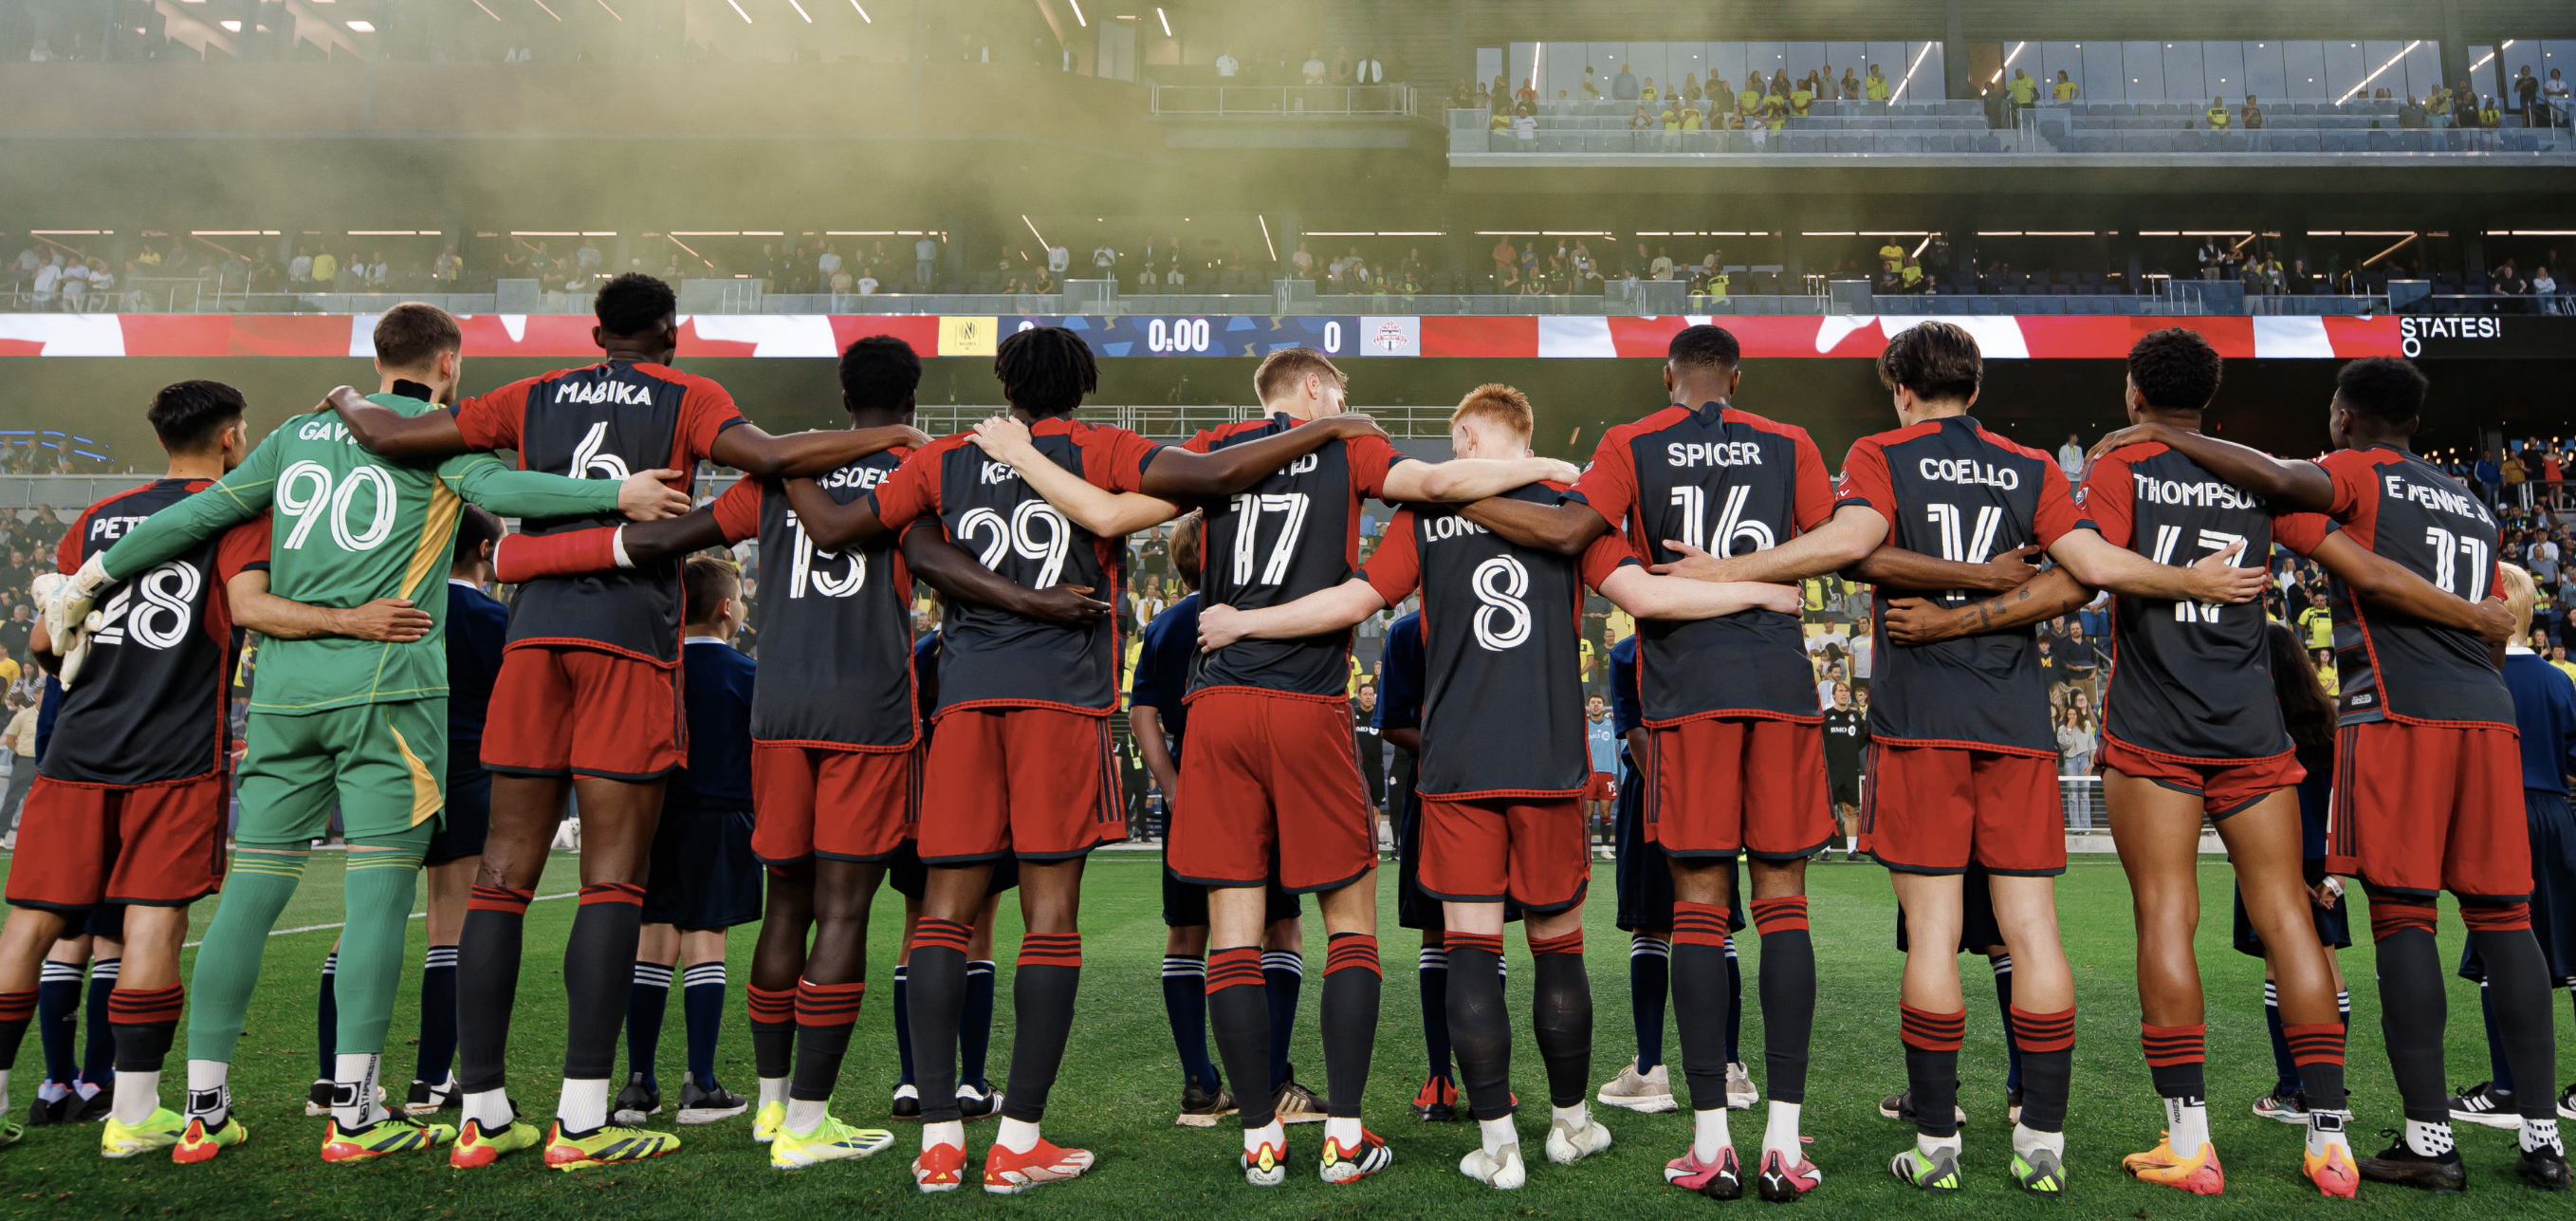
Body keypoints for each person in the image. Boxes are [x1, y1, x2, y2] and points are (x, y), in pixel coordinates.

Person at [61, 311, 692, 1167]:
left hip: (283, 697)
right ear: (448, 363)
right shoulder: (436, 441)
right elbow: (513, 495)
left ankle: (203, 1110)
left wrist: (90, 577)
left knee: (251, 892)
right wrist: (616, 496)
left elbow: (199, 514)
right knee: (379, 897)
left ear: (376, 358)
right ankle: (354, 1114)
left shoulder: (293, 435)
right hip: (388, 695)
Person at [317, 274, 919, 1170]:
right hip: (629, 647)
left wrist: (344, 395)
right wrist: (891, 438)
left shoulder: (533, 393)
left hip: (532, 641)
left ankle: (481, 1111)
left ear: (596, 332)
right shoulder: (689, 394)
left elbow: (392, 435)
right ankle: (582, 1119)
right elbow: (765, 456)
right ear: (671, 334)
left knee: (500, 876)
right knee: (611, 881)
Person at [779, 327, 1397, 1193]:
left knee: (942, 919)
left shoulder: (944, 458)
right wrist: (1327, 428)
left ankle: (941, 1141)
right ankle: (1019, 1138)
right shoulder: (1100, 447)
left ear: (1004, 385)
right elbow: (1210, 475)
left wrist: (782, 458)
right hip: (1062, 704)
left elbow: (843, 528)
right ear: (1083, 387)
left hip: (964, 703)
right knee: (1050, 921)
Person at [1666, 322, 2271, 1197]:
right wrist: (2193, 579)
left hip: (1920, 721)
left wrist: (1726, 570)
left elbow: (1853, 544)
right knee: (2033, 930)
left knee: (1935, 934)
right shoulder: (2030, 465)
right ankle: (2043, 1142)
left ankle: (1937, 1143)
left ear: (1901, 389)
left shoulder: (1880, 452)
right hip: (2016, 724)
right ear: (1977, 390)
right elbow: (2089, 566)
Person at [493, 335, 1083, 1165]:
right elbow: (955, 558)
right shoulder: (917, 472)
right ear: (912, 400)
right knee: (843, 911)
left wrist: (538, 547)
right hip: (867, 711)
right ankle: (807, 1122)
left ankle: (770, 1108)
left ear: (844, 397)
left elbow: (679, 535)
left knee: (786, 905)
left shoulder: (775, 479)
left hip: (778, 709)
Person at [1197, 383, 1794, 1190]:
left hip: (1456, 768)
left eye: (1455, 443)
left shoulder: (1427, 516)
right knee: (1559, 949)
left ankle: (1498, 1144)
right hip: (1548, 763)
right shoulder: (1572, 511)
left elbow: (1352, 602)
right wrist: (1756, 590)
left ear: (1471, 437)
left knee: (1471, 952)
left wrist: (1245, 621)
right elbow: (1650, 596)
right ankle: (1572, 1125)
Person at [2088, 356, 2567, 1192]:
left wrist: (2156, 438)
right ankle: (2524, 1138)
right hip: (2482, 713)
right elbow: (2493, 623)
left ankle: (2418, 1139)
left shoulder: (2338, 474)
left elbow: (2352, 554)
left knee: (2397, 915)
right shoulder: (2472, 501)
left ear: (2344, 417)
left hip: (2387, 710)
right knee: (2498, 918)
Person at [1446, 326, 1859, 1201]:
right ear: (1736, 377)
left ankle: (1711, 1145)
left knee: (1698, 908)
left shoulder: (1631, 442)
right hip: (1781, 684)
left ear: (1667, 374)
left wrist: (1463, 496)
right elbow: (1842, 539)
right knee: (1784, 906)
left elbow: (1571, 530)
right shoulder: (1790, 442)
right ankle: (1785, 1143)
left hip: (1688, 693)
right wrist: (1755, 580)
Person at [0, 381, 407, 1158]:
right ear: (231, 437)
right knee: (155, 916)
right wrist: (350, 619)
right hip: (174, 751)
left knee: (32, 921)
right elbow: (250, 608)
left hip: (77, 746)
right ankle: (134, 1113)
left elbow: (47, 643)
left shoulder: (95, 518)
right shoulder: (241, 512)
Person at [1127, 512, 1318, 1130]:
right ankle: (1271, 1081)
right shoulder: (1251, 616)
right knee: (1281, 927)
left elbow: (1142, 714)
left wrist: (1172, 787)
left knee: (1187, 933)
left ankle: (1199, 1086)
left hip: (1193, 786)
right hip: (1257, 786)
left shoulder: (1163, 624)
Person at [615, 559, 760, 1134]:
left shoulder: (657, 668)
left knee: (652, 944)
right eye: (740, 599)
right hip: (721, 818)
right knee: (705, 941)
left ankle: (638, 1082)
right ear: (726, 609)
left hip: (655, 819)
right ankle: (700, 1082)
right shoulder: (747, 673)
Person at [2448, 564, 2576, 1138]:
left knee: (2498, 947)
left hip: (2500, 815)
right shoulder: (2558, 681)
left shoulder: (2476, 675)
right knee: (2570, 948)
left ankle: (2507, 1088)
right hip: (2555, 815)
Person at [413, 505, 508, 1114]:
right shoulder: (495, 617)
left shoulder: (405, 608)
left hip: (395, 774)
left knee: (362, 925)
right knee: (450, 927)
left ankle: (333, 1080)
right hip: (467, 774)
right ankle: (430, 1077)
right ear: (483, 550)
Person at [1822, 682, 1865, 860]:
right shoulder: (1825, 717)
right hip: (1830, 771)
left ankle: (1852, 851)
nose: (1844, 694)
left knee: (1850, 809)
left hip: (1850, 771)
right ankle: (1825, 850)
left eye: (1846, 691)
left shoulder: (1856, 717)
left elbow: (1863, 739)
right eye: (1840, 691)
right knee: (1828, 810)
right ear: (1834, 695)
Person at [1584, 695, 1617, 842]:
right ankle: (1587, 848)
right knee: (1588, 813)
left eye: (1599, 702)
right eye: (1593, 702)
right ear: (1588, 707)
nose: (1596, 705)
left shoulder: (1611, 722)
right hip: (1589, 774)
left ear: (1604, 707)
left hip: (1606, 773)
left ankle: (1605, 848)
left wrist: (1616, 716)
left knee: (1605, 812)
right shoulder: (1584, 724)